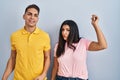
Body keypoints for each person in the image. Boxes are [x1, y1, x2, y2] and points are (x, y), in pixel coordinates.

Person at [2, 4, 51, 80]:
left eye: (35, 15)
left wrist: (43, 75)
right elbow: (12, 58)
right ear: (24, 16)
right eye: (29, 14)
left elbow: (47, 57)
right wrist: (4, 77)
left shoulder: (45, 36)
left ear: (38, 18)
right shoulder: (14, 36)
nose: (32, 17)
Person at [51, 15, 107, 80]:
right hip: (61, 78)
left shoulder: (83, 42)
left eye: (68, 30)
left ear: (73, 31)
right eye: (62, 30)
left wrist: (95, 25)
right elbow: (55, 66)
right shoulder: (58, 45)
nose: (64, 32)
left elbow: (103, 45)